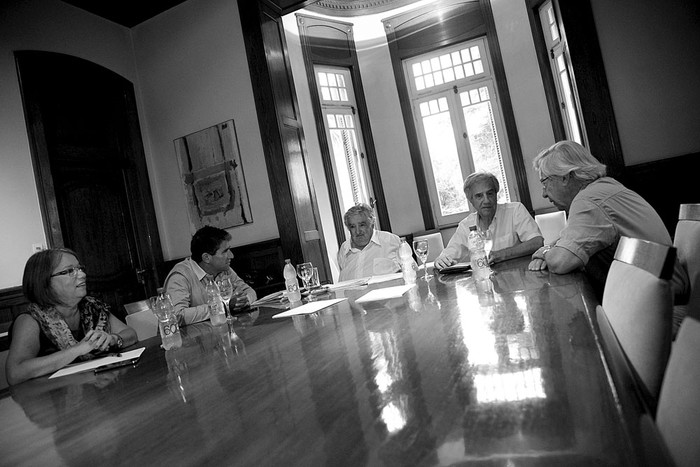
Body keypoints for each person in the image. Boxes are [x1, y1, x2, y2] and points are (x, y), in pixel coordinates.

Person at [527, 140, 688, 300]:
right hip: (661, 294)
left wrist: (546, 252)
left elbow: (561, 261)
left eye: (544, 182)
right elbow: (568, 241)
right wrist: (551, 248)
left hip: (662, 307)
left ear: (565, 177)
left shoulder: (589, 201)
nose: (544, 194)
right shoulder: (604, 188)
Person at [5, 248, 137, 386]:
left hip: (99, 389)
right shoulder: (31, 319)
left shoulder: (92, 307)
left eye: (80, 268)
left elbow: (130, 334)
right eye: (69, 271)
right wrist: (77, 349)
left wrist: (114, 339)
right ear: (45, 282)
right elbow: (15, 373)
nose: (82, 275)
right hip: (52, 399)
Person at [435, 172, 543, 270]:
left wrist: (500, 255)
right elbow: (447, 256)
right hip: (484, 283)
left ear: (496, 194)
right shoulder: (466, 226)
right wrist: (440, 261)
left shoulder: (515, 210)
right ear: (471, 200)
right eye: (479, 196)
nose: (486, 200)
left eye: (490, 194)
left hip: (521, 282)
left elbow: (537, 242)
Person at [164, 225, 256, 325]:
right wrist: (223, 306)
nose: (231, 256)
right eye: (225, 251)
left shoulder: (225, 269)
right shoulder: (180, 277)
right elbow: (177, 315)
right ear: (206, 257)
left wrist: (243, 301)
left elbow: (249, 291)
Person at [337, 204, 402, 281]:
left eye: (362, 225)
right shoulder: (344, 248)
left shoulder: (390, 240)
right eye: (352, 226)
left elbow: (411, 272)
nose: (358, 231)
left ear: (372, 223)